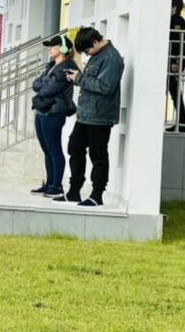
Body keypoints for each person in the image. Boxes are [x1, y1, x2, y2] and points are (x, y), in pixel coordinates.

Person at [59, 27, 124, 207]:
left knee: (98, 154)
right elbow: (92, 82)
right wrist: (77, 77)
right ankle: (74, 191)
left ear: (95, 42)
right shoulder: (97, 55)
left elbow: (106, 87)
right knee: (74, 147)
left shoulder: (112, 58)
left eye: (87, 50)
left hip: (100, 116)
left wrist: (79, 78)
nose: (87, 54)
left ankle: (97, 195)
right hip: (86, 115)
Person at [29, 35, 78, 198]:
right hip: (42, 111)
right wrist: (44, 84)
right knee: (46, 150)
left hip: (54, 112)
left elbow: (47, 90)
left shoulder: (66, 67)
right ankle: (49, 183)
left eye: (53, 46)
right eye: (48, 46)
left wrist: (43, 84)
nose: (49, 48)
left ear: (63, 48)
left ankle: (57, 186)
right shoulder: (51, 65)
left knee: (54, 149)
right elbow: (35, 84)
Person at [168, 0, 185, 133]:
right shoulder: (176, 20)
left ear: (174, 7)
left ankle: (182, 124)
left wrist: (175, 62)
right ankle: (181, 123)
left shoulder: (176, 21)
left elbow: (177, 43)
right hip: (173, 63)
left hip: (173, 64)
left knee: (175, 93)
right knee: (174, 93)